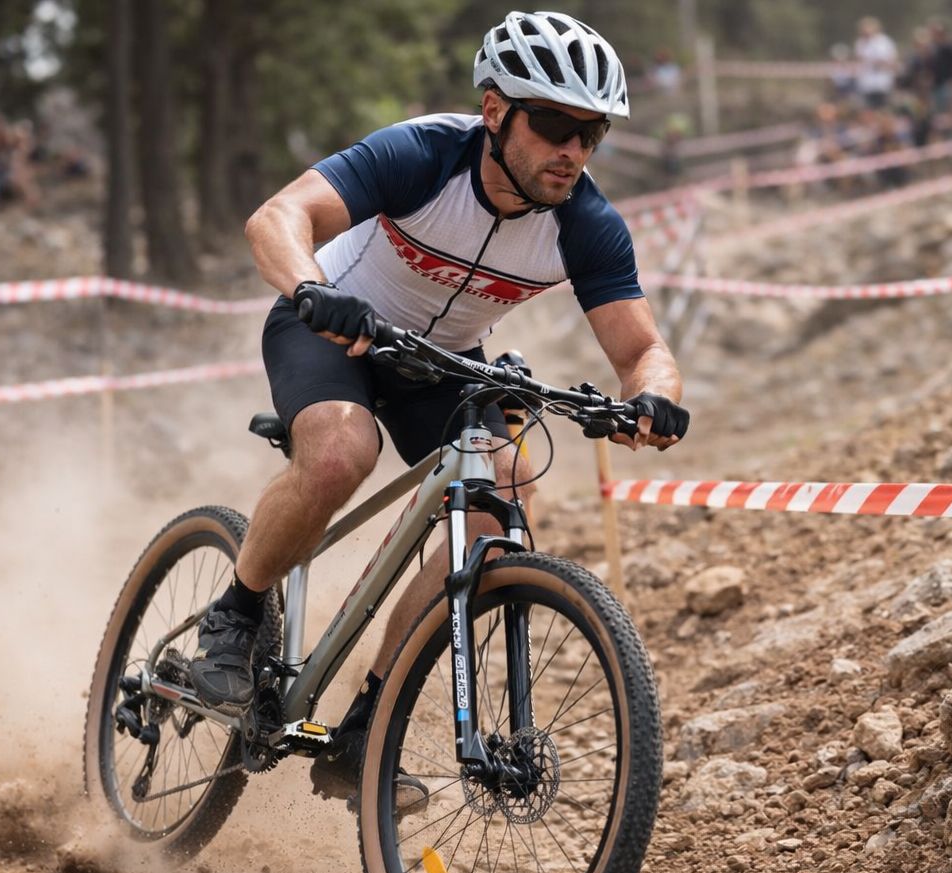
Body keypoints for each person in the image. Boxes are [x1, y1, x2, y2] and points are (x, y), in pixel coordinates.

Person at [182, 10, 688, 804]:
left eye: (592, 133)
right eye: (554, 125)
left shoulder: (585, 223)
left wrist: (651, 399)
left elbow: (643, 351)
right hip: (332, 325)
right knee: (342, 454)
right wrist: (312, 287)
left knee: (501, 500)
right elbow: (277, 217)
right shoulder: (422, 155)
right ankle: (235, 617)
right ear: (495, 111)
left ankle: (368, 726)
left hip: (441, 360)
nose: (573, 150)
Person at [855, 17, 899, 109]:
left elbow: (891, 61)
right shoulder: (860, 43)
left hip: (882, 82)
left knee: (883, 108)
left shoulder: (884, 42)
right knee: (868, 109)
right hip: (866, 83)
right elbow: (859, 60)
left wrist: (875, 62)